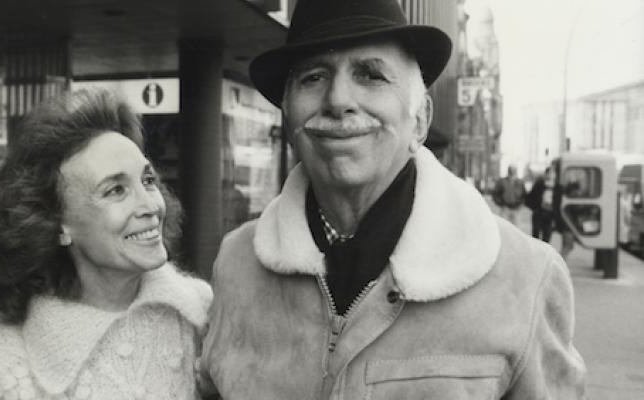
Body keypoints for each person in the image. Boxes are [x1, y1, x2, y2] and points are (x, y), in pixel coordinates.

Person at [199, 0, 586, 398]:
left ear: (420, 119)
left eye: (370, 74)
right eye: (313, 77)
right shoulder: (238, 262)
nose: (337, 100)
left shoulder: (525, 276)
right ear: (288, 114)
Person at [0, 89, 211, 400]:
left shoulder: (203, 315)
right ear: (55, 222)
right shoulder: (3, 368)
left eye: (148, 181)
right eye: (115, 190)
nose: (151, 205)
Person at [526, 166, 556, 242]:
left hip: (549, 215)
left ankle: (544, 253)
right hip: (539, 213)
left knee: (547, 237)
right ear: (546, 174)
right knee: (535, 236)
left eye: (553, 173)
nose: (551, 175)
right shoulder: (539, 184)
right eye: (549, 173)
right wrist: (535, 208)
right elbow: (530, 198)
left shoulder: (557, 186)